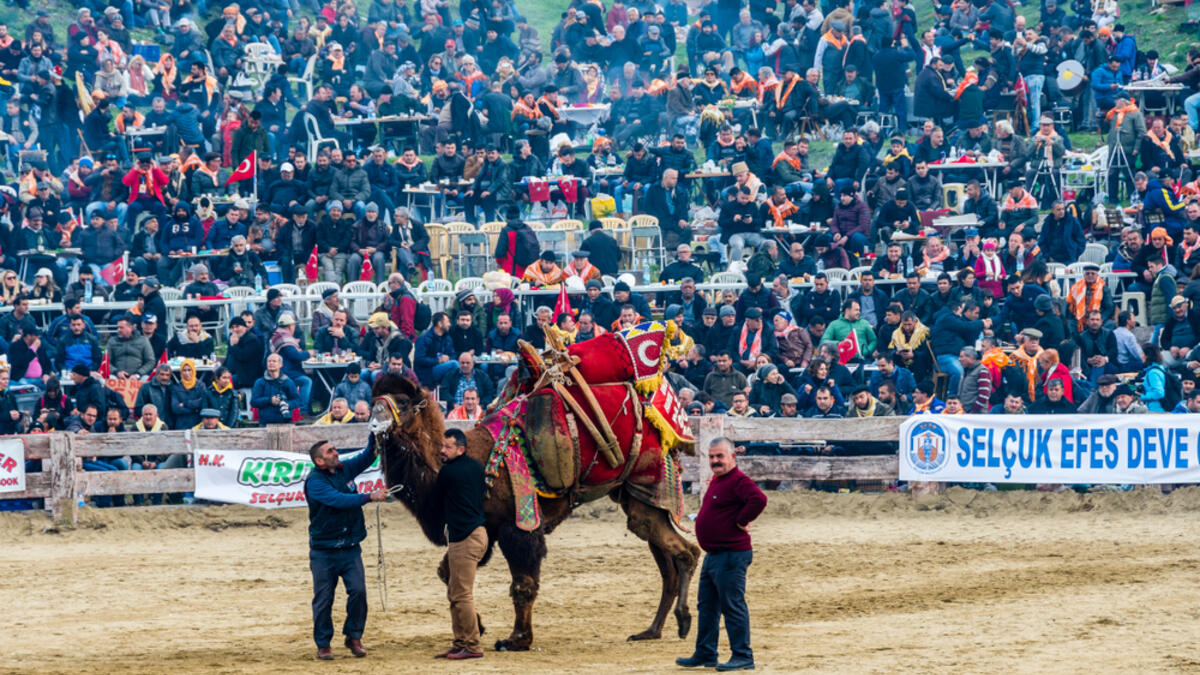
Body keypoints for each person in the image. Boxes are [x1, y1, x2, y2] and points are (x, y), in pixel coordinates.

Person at [676, 436, 766, 672]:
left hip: (731, 554)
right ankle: (706, 653)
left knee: (732, 605)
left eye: (720, 456)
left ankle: (743, 655)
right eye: (712, 456)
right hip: (715, 554)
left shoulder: (738, 480)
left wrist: (742, 520)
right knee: (707, 606)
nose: (715, 461)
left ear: (732, 457)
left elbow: (759, 499)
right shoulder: (720, 479)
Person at [304, 438, 386, 660]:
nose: (336, 453)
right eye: (330, 451)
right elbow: (337, 500)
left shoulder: (343, 469)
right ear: (319, 460)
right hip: (324, 551)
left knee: (358, 592)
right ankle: (323, 643)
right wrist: (369, 496)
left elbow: (368, 456)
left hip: (350, 547)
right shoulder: (315, 482)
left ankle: (354, 636)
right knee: (324, 598)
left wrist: (374, 434)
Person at [432, 429, 487, 660]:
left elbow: (434, 500)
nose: (442, 451)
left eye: (447, 447)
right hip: (476, 533)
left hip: (463, 538)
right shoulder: (476, 467)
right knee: (456, 592)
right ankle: (461, 642)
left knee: (461, 594)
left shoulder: (448, 473)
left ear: (460, 449)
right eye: (442, 446)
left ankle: (472, 645)